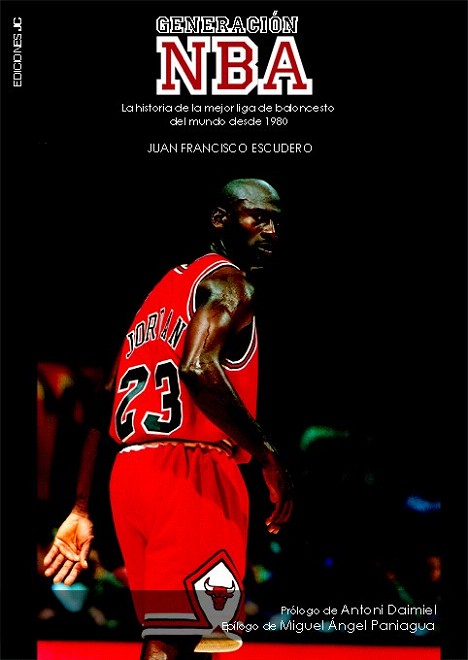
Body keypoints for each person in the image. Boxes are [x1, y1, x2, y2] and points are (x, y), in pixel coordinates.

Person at [43, 177, 294, 660]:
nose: (270, 230)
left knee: (189, 637)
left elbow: (103, 401)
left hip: (130, 475)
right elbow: (198, 368)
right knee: (176, 640)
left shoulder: (157, 296)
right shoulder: (231, 284)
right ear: (220, 220)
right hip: (191, 472)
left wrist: (81, 506)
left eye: (276, 221)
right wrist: (268, 456)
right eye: (257, 217)